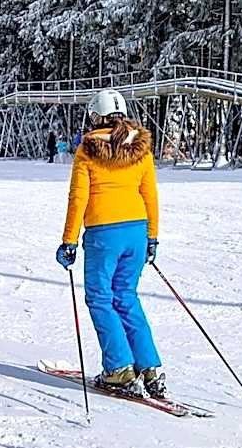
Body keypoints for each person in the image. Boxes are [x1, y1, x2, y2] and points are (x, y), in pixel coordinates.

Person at [55, 89, 164, 399]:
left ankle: (118, 369)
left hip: (104, 233)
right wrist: (152, 237)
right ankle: (149, 368)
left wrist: (68, 241)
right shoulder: (141, 148)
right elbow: (150, 195)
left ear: (96, 116)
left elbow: (79, 198)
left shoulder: (87, 150)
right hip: (137, 232)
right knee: (126, 296)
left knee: (101, 298)